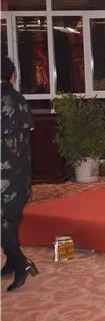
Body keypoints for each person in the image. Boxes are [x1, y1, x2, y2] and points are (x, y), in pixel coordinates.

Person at [1, 56, 38, 292]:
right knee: (11, 218)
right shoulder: (19, 98)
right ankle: (12, 262)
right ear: (12, 75)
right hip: (20, 170)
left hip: (3, 172)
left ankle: (21, 263)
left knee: (3, 221)